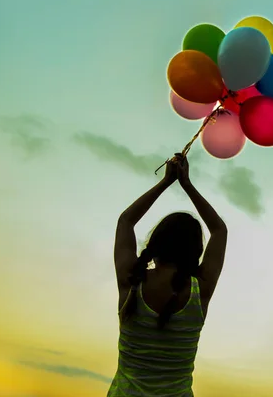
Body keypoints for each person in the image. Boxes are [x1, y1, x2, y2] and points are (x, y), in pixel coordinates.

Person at [107, 154, 228, 397]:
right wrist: (187, 185)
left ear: (155, 243)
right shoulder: (199, 290)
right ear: (196, 251)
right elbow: (218, 229)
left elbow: (126, 221)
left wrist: (165, 182)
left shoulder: (131, 281)